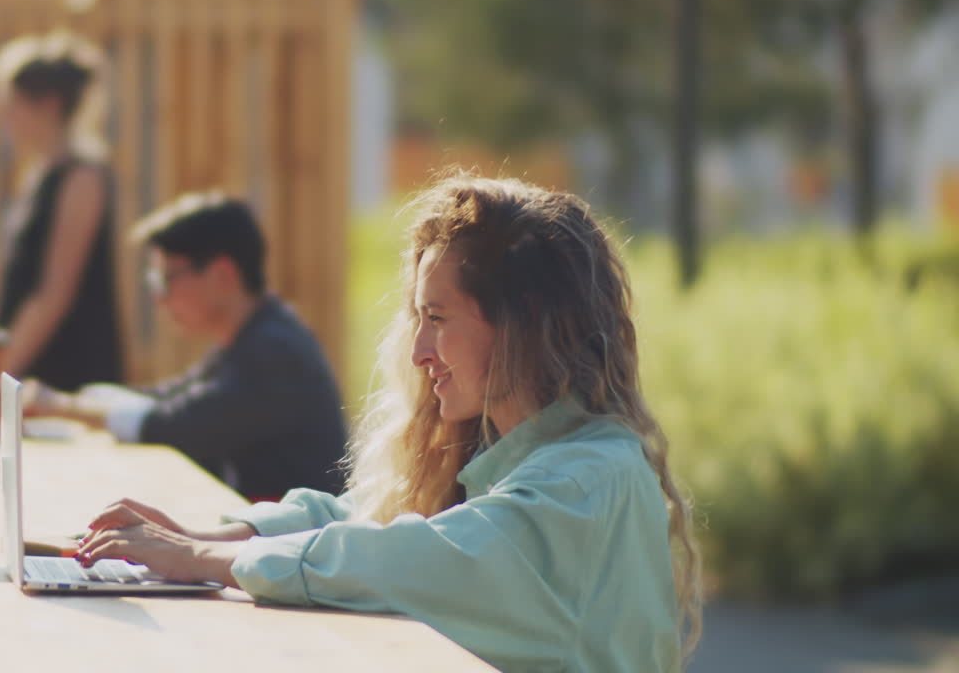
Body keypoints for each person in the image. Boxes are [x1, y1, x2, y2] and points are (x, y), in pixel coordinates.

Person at [68, 177, 703, 672]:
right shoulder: (520, 451)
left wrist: (205, 558)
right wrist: (215, 535)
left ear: (523, 320)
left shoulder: (583, 485)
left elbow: (410, 557)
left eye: (439, 318)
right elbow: (371, 520)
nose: (419, 350)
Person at [23, 192, 348, 501]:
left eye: (166, 279)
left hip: (300, 546)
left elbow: (173, 427)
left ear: (222, 274)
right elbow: (170, 398)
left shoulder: (274, 351)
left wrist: (65, 406)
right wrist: (74, 402)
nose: (158, 297)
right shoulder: (255, 337)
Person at [0, 33, 124, 397]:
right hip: (28, 370)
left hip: (64, 374)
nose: (3, 119)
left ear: (48, 104)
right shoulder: (38, 175)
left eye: (12, 106)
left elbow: (53, 294)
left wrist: (0, 375)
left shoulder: (83, 178)